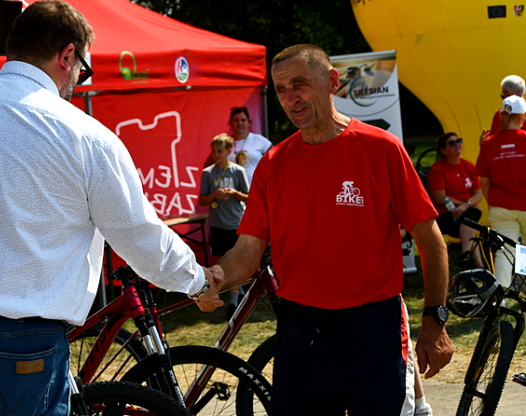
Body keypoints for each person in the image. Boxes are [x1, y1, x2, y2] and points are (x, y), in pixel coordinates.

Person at [0, 0, 219, 416]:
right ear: (67, 55)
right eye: (82, 69)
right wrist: (197, 282)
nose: (78, 80)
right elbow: (140, 237)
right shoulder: (87, 137)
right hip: (19, 346)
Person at [194, 44, 453, 416]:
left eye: (300, 84)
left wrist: (434, 321)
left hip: (372, 326)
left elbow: (431, 241)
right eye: (281, 89)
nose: (290, 98)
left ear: (332, 82)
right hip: (301, 328)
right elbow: (248, 250)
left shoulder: (381, 148)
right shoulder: (273, 164)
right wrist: (217, 277)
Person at [475, 95, 526, 288]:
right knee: (524, 251)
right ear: (522, 117)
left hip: (500, 206)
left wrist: (492, 203)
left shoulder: (489, 143)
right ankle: (522, 288)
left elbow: (484, 181)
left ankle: (502, 295)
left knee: (504, 251)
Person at [199, 133, 249, 317]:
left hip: (236, 224)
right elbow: (203, 200)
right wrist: (214, 195)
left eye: (219, 151)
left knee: (235, 262)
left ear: (229, 151)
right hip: (217, 225)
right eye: (213, 151)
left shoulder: (237, 171)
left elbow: (249, 197)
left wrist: (235, 193)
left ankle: (233, 304)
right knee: (221, 264)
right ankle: (239, 292)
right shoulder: (208, 173)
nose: (216, 154)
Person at [427, 132, 484, 269]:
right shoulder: (437, 169)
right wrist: (465, 205)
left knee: (472, 217)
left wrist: (465, 206)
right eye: (452, 143)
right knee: (473, 216)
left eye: (459, 141)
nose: (457, 144)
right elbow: (440, 198)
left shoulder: (468, 166)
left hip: (464, 214)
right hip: (446, 215)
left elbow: (479, 194)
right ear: (443, 150)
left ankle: (470, 259)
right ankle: (474, 262)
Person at [228, 106, 272, 184]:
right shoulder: (225, 142)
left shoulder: (258, 139)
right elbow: (209, 165)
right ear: (230, 123)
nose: (239, 123)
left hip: (256, 187)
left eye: (243, 120)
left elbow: (277, 158)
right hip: (231, 190)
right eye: (236, 120)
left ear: (248, 123)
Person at [479, 75, 525, 145]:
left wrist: (485, 145)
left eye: (503, 94)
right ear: (523, 94)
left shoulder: (499, 115)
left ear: (506, 94)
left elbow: (494, 147)